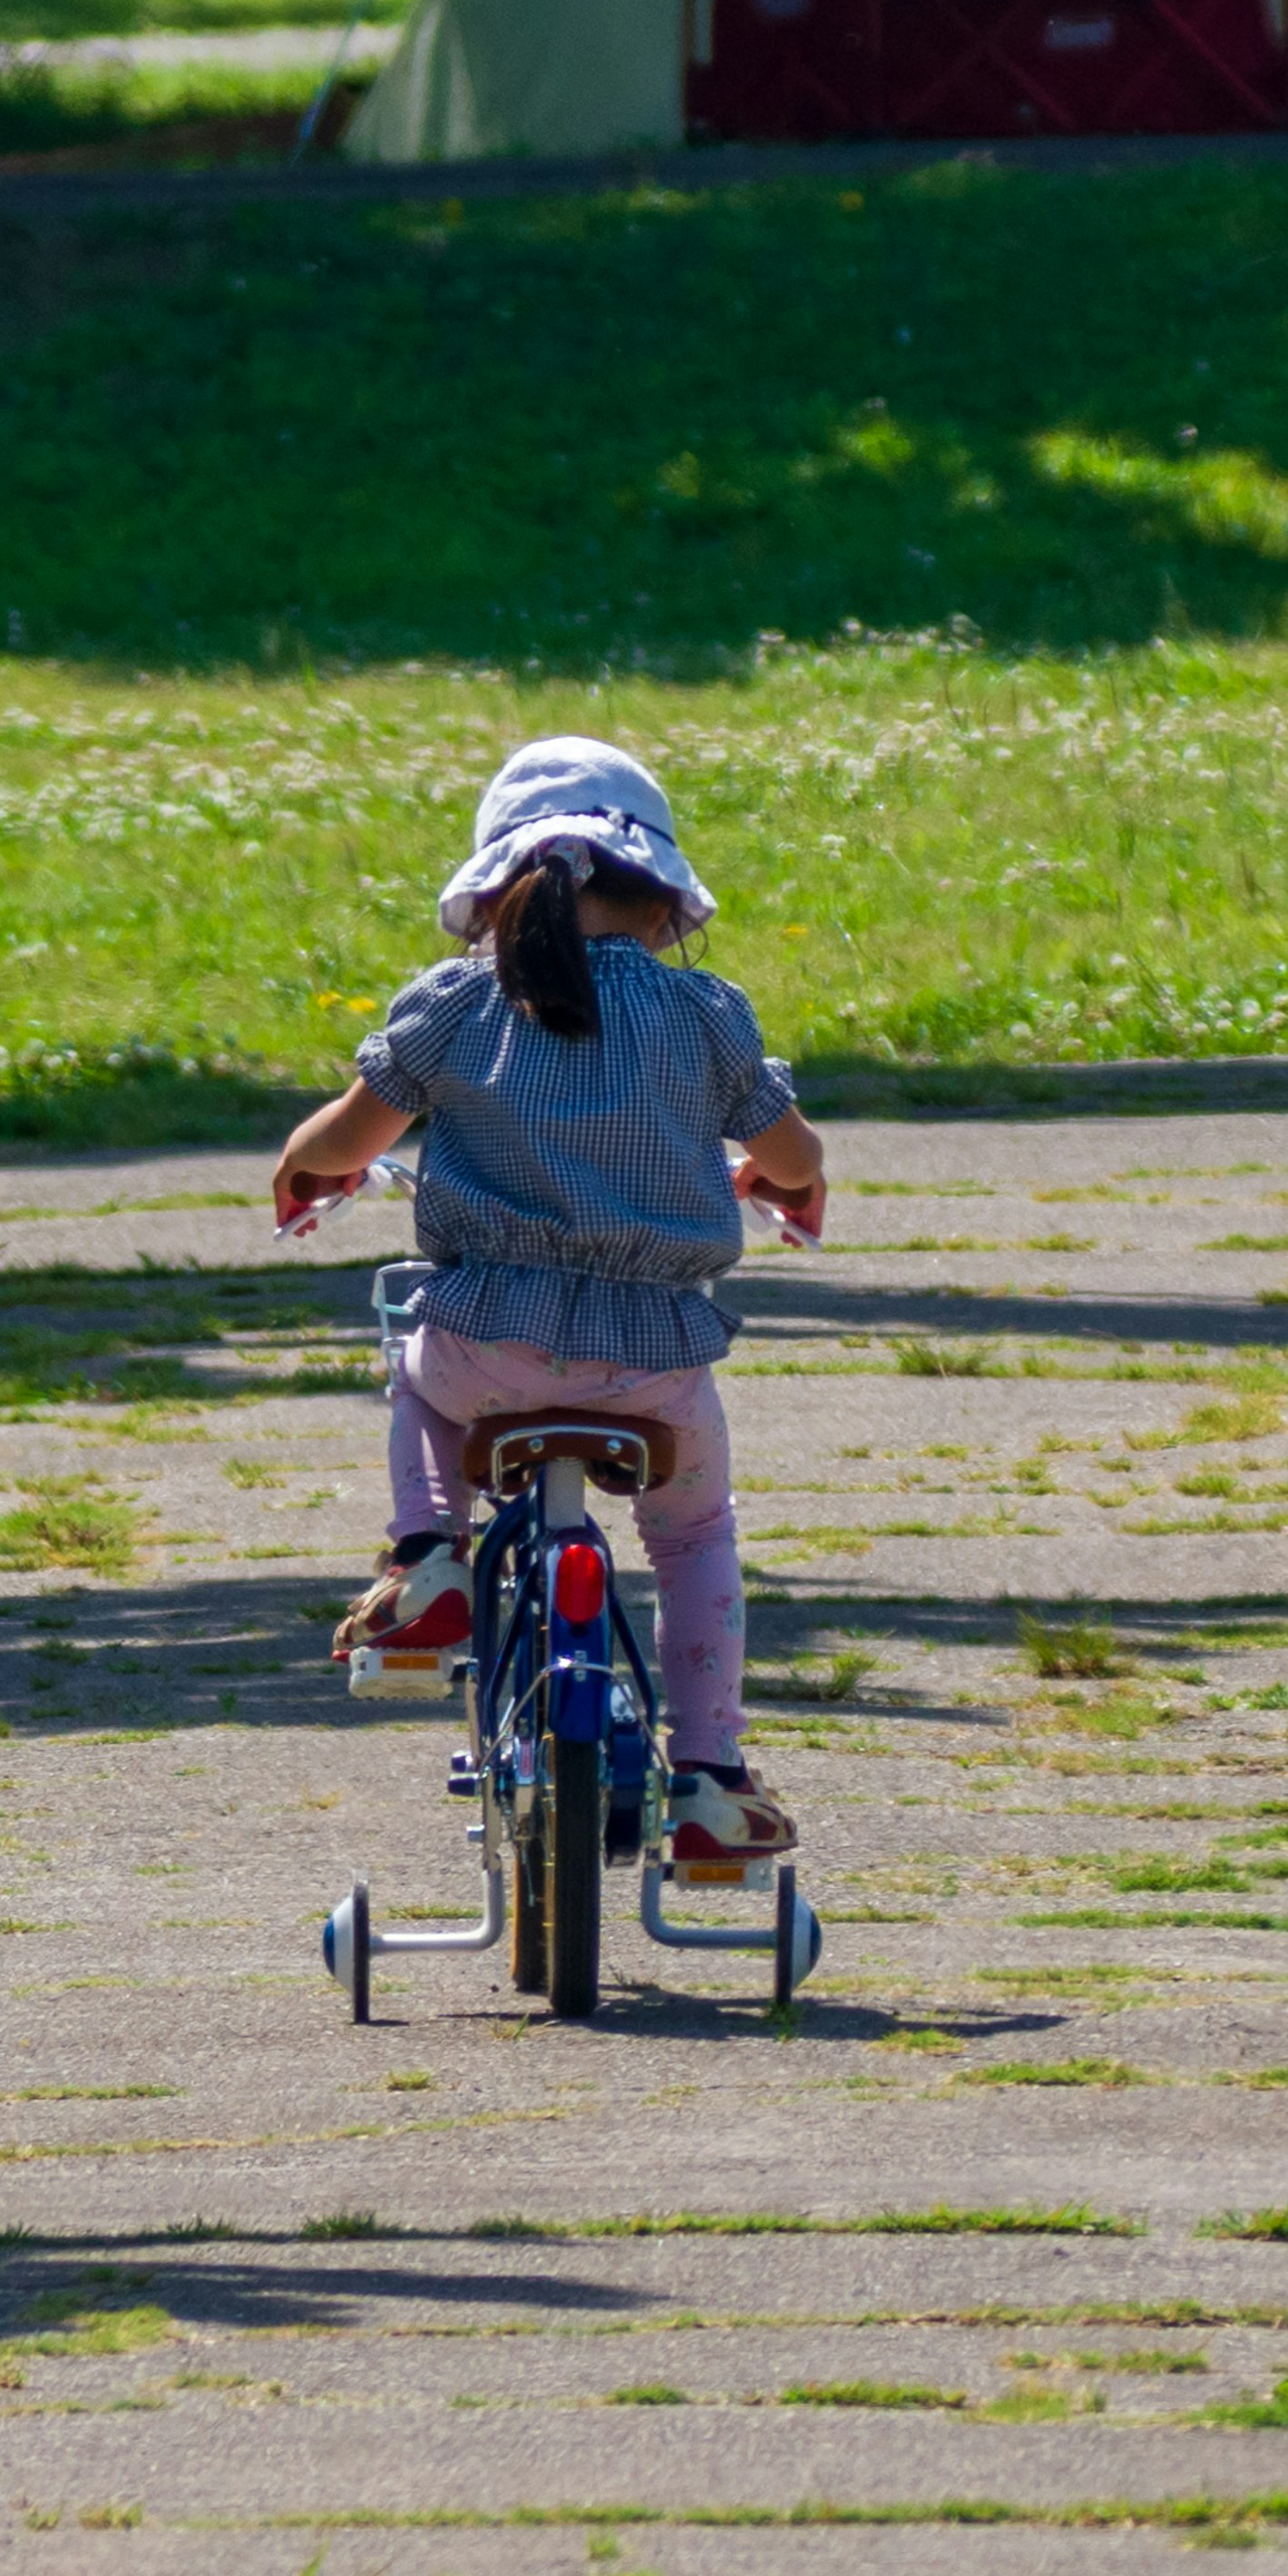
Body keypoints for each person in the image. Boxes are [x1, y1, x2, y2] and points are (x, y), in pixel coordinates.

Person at [269, 734, 827, 1862]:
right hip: (656, 1362)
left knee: (417, 1371)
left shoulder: (459, 1006)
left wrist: (307, 1158)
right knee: (696, 1533)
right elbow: (794, 1148)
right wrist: (785, 1174)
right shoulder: (708, 1016)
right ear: (667, 901)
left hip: (489, 1346)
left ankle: (429, 1556)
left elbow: (351, 1130)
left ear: (495, 897)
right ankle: (712, 1773)